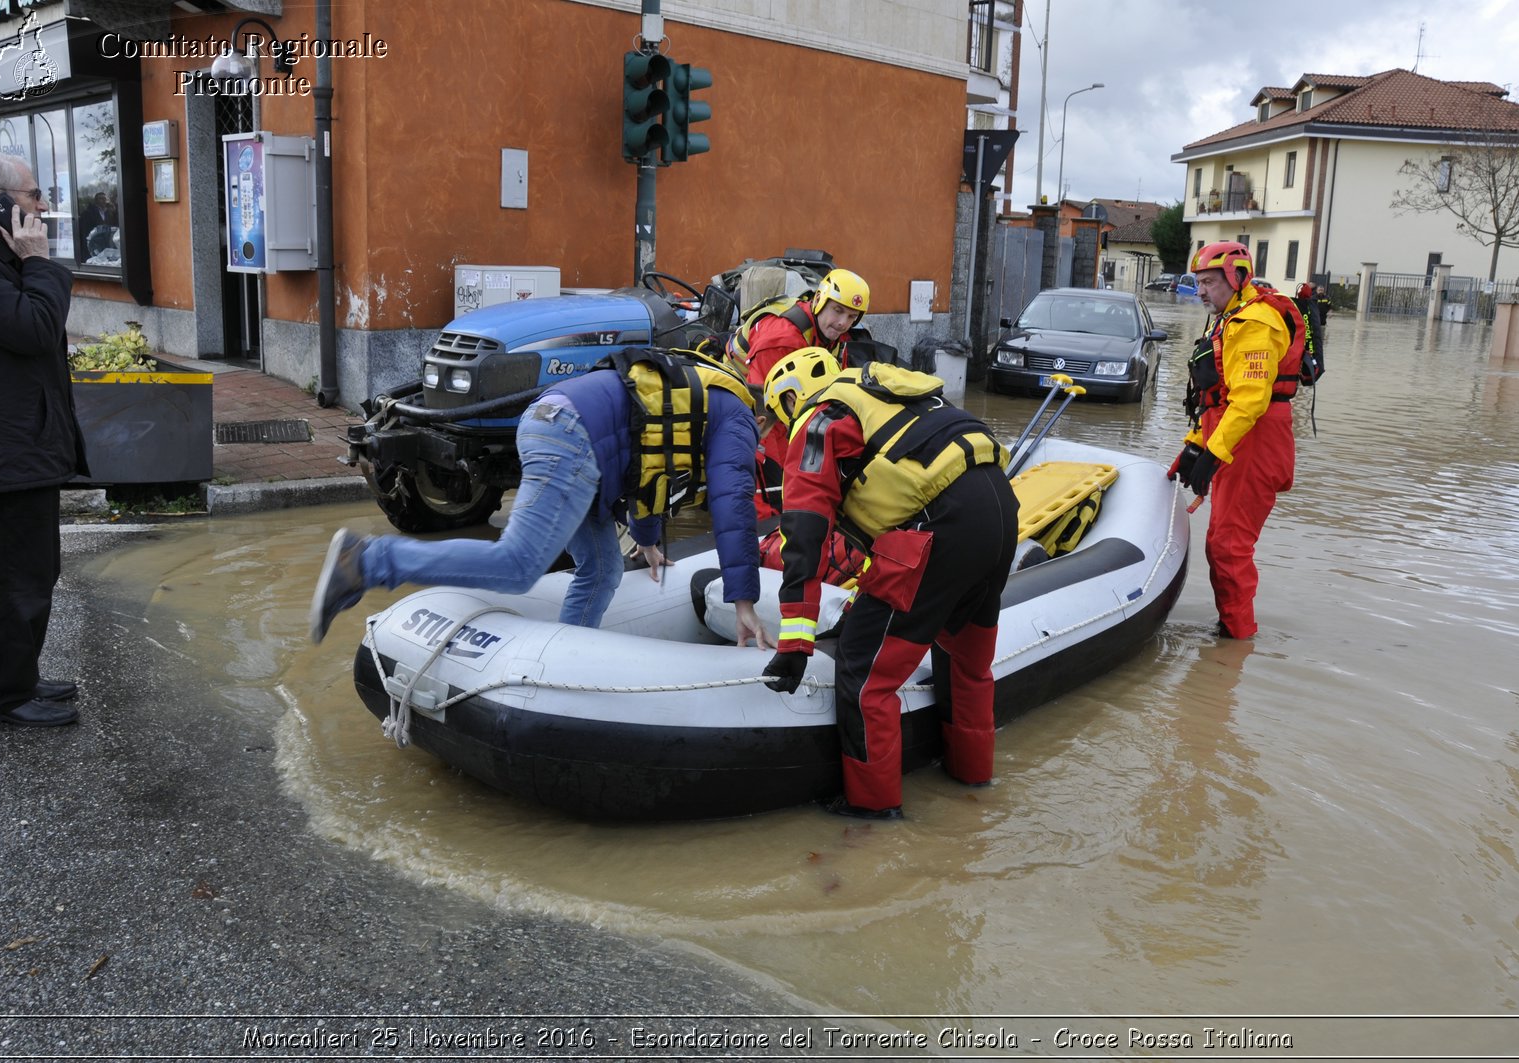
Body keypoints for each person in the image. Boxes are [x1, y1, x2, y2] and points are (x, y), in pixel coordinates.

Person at [310, 347, 767, 647]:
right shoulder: (740, 418)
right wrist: (742, 600)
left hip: (558, 420)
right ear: (764, 419)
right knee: (519, 565)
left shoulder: (704, 395)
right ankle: (368, 561)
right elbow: (732, 503)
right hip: (573, 439)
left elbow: (652, 466)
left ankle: (560, 658)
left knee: (604, 570)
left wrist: (646, 539)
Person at [758, 349, 1017, 818]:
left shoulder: (817, 421)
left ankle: (873, 811)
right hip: (1000, 511)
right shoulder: (878, 392)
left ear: (790, 399)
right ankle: (974, 779)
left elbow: (805, 532)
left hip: (942, 526)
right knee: (968, 662)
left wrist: (795, 641)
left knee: (863, 670)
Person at [0, 150, 89, 727]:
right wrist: (38, 260)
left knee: (26, 568)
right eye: (32, 195)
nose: (42, 206)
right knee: (18, 573)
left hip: (19, 438)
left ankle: (15, 676)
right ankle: (3, 698)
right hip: (7, 443)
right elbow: (34, 328)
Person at [1169, 241, 1304, 639]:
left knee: (1229, 545)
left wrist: (1213, 452)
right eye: (1198, 283)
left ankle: (1237, 639)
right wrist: (1195, 443)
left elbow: (1250, 400)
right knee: (1221, 542)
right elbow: (1219, 396)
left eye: (1209, 281)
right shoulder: (1229, 318)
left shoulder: (1256, 323)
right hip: (1232, 437)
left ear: (1237, 277)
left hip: (1255, 443)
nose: (1202, 292)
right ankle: (1232, 629)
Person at [728, 268, 870, 517]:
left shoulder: (833, 335)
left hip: (784, 396)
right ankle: (765, 523)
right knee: (769, 469)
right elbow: (765, 416)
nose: (842, 323)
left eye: (851, 316)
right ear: (819, 301)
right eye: (837, 310)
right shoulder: (783, 340)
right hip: (748, 396)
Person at [75, 191, 116, 264]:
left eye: (104, 198)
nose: (103, 200)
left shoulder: (108, 212)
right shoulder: (88, 213)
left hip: (105, 243)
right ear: (96, 200)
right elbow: (85, 231)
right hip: (92, 243)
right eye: (101, 198)